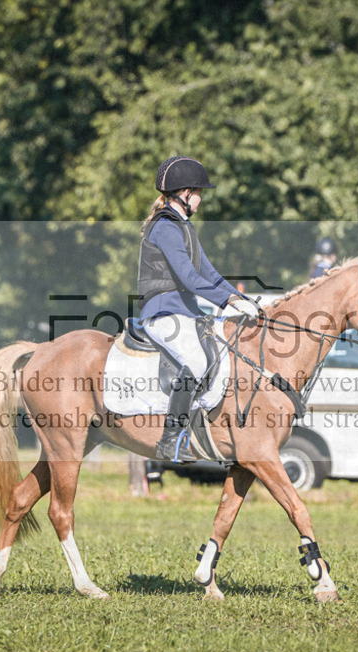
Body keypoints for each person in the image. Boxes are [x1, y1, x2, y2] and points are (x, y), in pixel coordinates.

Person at [138, 156, 260, 460]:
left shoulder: (184, 228)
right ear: (184, 193)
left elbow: (210, 274)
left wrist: (244, 300)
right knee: (195, 360)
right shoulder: (165, 227)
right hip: (163, 312)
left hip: (185, 313)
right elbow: (190, 279)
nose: (202, 198)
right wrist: (229, 301)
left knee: (219, 353)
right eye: (199, 192)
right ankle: (170, 439)